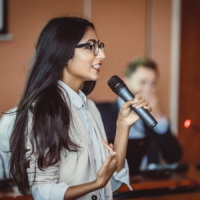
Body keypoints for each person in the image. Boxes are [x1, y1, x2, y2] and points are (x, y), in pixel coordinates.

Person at [8, 17, 151, 200]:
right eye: (91, 46)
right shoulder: (44, 109)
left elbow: (111, 184)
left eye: (100, 46)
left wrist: (123, 125)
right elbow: (42, 192)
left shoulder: (89, 107)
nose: (102, 55)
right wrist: (96, 184)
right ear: (63, 51)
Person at [96, 57, 182, 175]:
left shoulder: (151, 117)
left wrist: (158, 117)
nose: (148, 89)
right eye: (143, 82)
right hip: (114, 183)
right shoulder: (101, 111)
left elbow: (174, 156)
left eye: (153, 84)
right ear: (126, 81)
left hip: (147, 183)